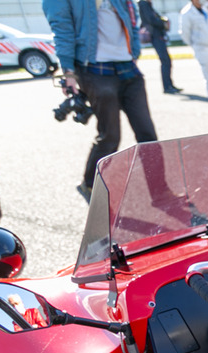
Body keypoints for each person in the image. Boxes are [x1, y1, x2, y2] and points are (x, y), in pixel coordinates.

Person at [42, 0, 159, 202]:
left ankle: (160, 191)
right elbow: (62, 29)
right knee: (110, 136)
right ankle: (89, 184)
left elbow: (132, 20)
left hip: (127, 67)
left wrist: (134, 53)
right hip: (94, 68)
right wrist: (69, 71)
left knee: (147, 133)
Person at [137, 0, 180, 93]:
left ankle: (169, 84)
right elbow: (150, 19)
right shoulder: (143, 4)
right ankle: (167, 87)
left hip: (158, 35)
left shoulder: (147, 4)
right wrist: (162, 23)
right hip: (155, 36)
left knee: (167, 61)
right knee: (165, 60)